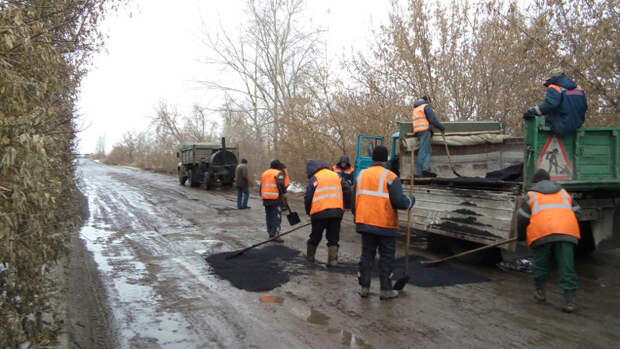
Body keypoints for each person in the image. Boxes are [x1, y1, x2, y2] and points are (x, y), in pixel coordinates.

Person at [353, 145, 415, 299]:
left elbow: (354, 199)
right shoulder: (391, 177)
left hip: (365, 223)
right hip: (385, 224)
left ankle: (364, 288)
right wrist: (410, 201)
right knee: (386, 257)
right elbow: (399, 202)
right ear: (386, 159)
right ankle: (385, 290)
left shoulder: (361, 175)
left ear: (372, 158)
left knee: (367, 255)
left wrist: (358, 216)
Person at [516, 168, 581, 312]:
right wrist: (567, 223)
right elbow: (577, 211)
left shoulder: (531, 195)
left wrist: (521, 236)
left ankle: (540, 294)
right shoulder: (564, 193)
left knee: (540, 264)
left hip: (542, 233)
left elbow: (522, 219)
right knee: (567, 266)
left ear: (536, 181)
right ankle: (569, 302)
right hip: (566, 232)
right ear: (549, 179)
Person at [304, 159, 351, 266]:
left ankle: (310, 258)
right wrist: (347, 205)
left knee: (315, 236)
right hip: (336, 212)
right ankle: (333, 261)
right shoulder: (336, 176)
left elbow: (308, 197)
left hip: (319, 213)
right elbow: (348, 189)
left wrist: (308, 211)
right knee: (333, 237)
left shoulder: (315, 178)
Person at [523, 67, 587, 136]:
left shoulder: (554, 87)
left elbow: (550, 104)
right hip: (577, 125)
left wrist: (532, 111)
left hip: (562, 126)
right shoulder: (578, 88)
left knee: (541, 122)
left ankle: (539, 143)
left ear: (552, 78)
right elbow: (584, 106)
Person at [412, 95, 445, 177]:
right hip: (425, 130)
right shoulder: (425, 107)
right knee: (423, 150)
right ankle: (420, 172)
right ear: (427, 101)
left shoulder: (416, 108)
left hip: (418, 131)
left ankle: (425, 169)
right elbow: (432, 119)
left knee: (428, 150)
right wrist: (441, 127)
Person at [259, 160, 287, 242]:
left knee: (269, 216)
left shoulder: (264, 173)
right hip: (275, 198)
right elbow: (281, 185)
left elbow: (261, 186)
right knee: (276, 217)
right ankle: (275, 235)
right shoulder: (278, 173)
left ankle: (270, 233)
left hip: (266, 198)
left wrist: (262, 194)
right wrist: (284, 193)